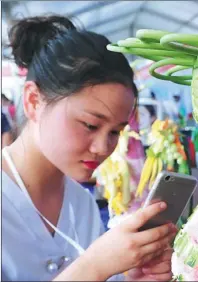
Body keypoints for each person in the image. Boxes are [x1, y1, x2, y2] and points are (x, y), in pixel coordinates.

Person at [2, 15, 177, 281]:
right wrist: (94, 266)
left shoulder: (81, 203)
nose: (102, 147)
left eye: (116, 131)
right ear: (33, 101)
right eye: (90, 125)